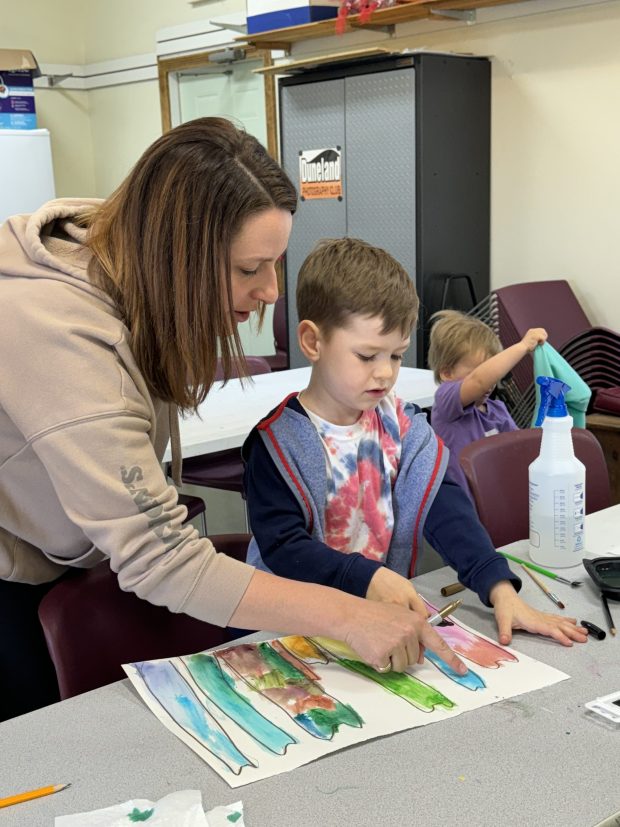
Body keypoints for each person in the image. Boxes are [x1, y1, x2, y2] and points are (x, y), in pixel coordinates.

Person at [0, 118, 465, 721]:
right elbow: (161, 557)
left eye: (276, 263)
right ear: (175, 256)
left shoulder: (127, 252)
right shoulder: (57, 333)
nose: (272, 291)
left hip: (80, 555)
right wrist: (349, 613)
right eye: (250, 269)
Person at [243, 238, 587, 651]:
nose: (385, 373)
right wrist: (368, 577)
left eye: (397, 355)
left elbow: (447, 509)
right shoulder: (277, 444)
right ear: (314, 342)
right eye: (367, 355)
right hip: (286, 632)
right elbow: (284, 548)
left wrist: (499, 588)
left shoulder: (403, 426)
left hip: (371, 627)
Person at [427, 309, 547, 497]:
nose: (491, 380)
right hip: (464, 509)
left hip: (496, 500)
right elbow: (479, 381)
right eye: (484, 370)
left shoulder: (497, 410)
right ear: (447, 373)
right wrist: (523, 346)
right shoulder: (446, 402)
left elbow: (520, 448)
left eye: (494, 370)